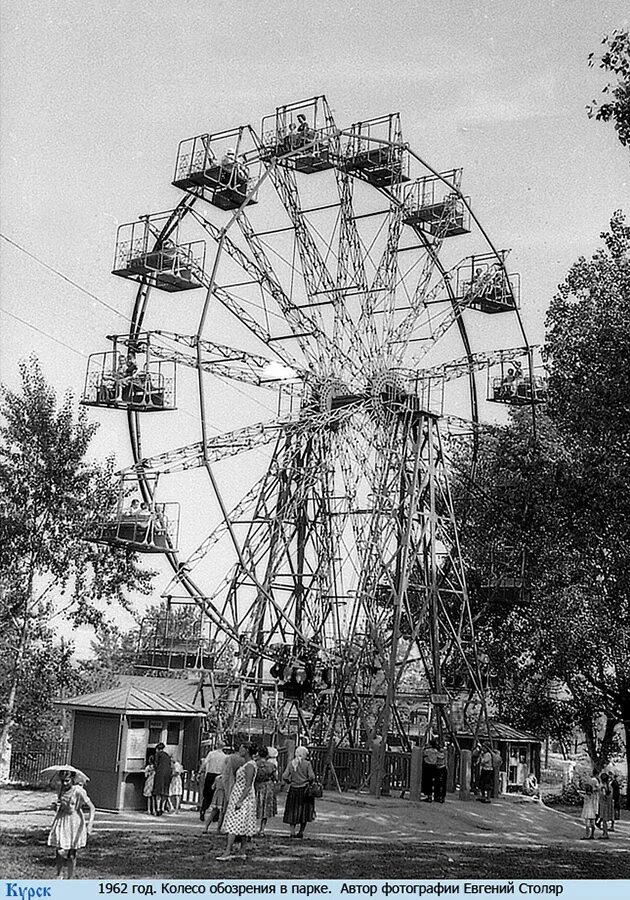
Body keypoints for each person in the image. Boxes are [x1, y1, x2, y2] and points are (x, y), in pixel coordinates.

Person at [47, 770, 95, 879]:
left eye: (67, 781)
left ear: (72, 779)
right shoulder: (60, 789)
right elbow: (61, 805)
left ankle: (70, 877)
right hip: (62, 819)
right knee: (59, 849)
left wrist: (90, 824)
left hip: (75, 821)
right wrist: (56, 807)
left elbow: (92, 807)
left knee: (71, 853)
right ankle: (59, 875)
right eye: (63, 781)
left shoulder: (78, 791)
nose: (65, 783)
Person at [217, 743, 259, 860]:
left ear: (246, 750)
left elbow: (248, 785)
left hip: (243, 798)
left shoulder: (250, 766)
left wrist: (240, 800)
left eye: (242, 748)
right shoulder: (245, 764)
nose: (239, 750)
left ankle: (228, 851)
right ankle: (242, 850)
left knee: (233, 823)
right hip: (238, 795)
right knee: (241, 824)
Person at [282, 745, 317, 839]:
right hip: (304, 790)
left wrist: (289, 781)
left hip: (293, 789)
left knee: (292, 811)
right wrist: (310, 782)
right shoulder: (307, 764)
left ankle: (292, 832)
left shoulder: (291, 763)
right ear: (304, 754)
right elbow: (311, 776)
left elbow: (284, 776)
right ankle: (301, 832)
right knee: (304, 812)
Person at [199, 742, 227, 821]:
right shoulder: (224, 756)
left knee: (207, 795)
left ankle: (203, 809)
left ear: (217, 746)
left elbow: (205, 763)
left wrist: (200, 771)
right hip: (218, 776)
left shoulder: (211, 754)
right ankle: (216, 815)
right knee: (217, 794)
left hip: (210, 775)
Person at [255, 746, 278, 836]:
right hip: (268, 787)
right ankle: (262, 829)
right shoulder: (271, 765)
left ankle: (252, 827)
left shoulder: (255, 764)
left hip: (257, 785)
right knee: (265, 808)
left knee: (255, 806)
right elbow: (275, 778)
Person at [152, 742, 172, 816]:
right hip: (167, 774)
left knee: (158, 792)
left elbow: (156, 764)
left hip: (160, 774)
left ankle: (157, 809)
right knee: (165, 791)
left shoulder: (157, 754)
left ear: (157, 749)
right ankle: (163, 808)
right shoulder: (167, 755)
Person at [580, 771, 600, 840]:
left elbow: (582, 795)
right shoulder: (593, 796)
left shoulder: (586, 796)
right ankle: (592, 835)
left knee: (587, 824)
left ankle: (587, 835)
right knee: (592, 824)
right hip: (593, 810)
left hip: (587, 811)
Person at [598, 772, 613, 839]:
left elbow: (604, 795)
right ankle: (605, 833)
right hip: (608, 804)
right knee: (605, 820)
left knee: (604, 820)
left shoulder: (603, 786)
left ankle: (605, 833)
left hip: (604, 804)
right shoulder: (609, 786)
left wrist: (603, 797)